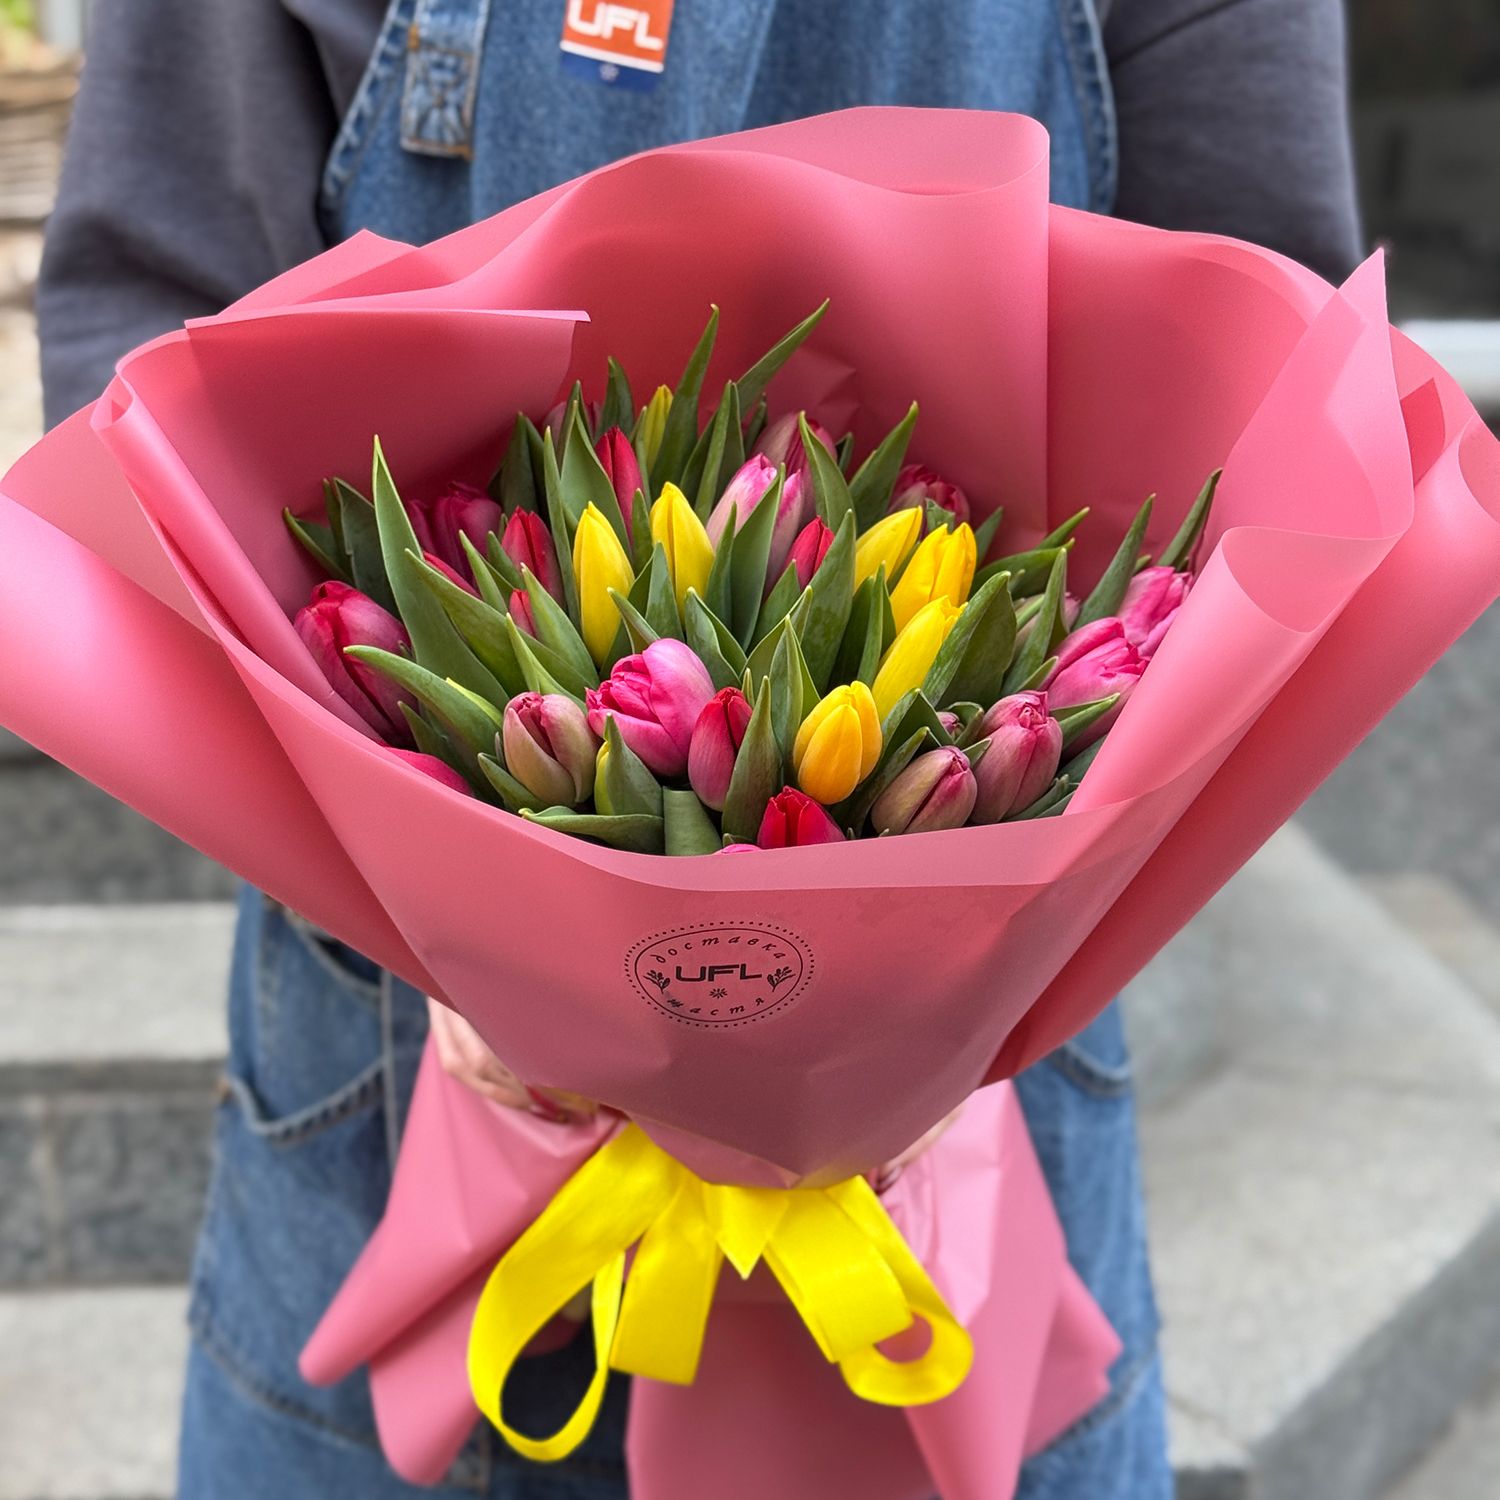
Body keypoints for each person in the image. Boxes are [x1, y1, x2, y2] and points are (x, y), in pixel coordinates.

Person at [37, 3, 1361, 1496]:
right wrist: (453, 919)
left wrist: (953, 976)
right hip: (403, 1054)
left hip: (970, 1100)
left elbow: (1272, 397)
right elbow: (149, 338)